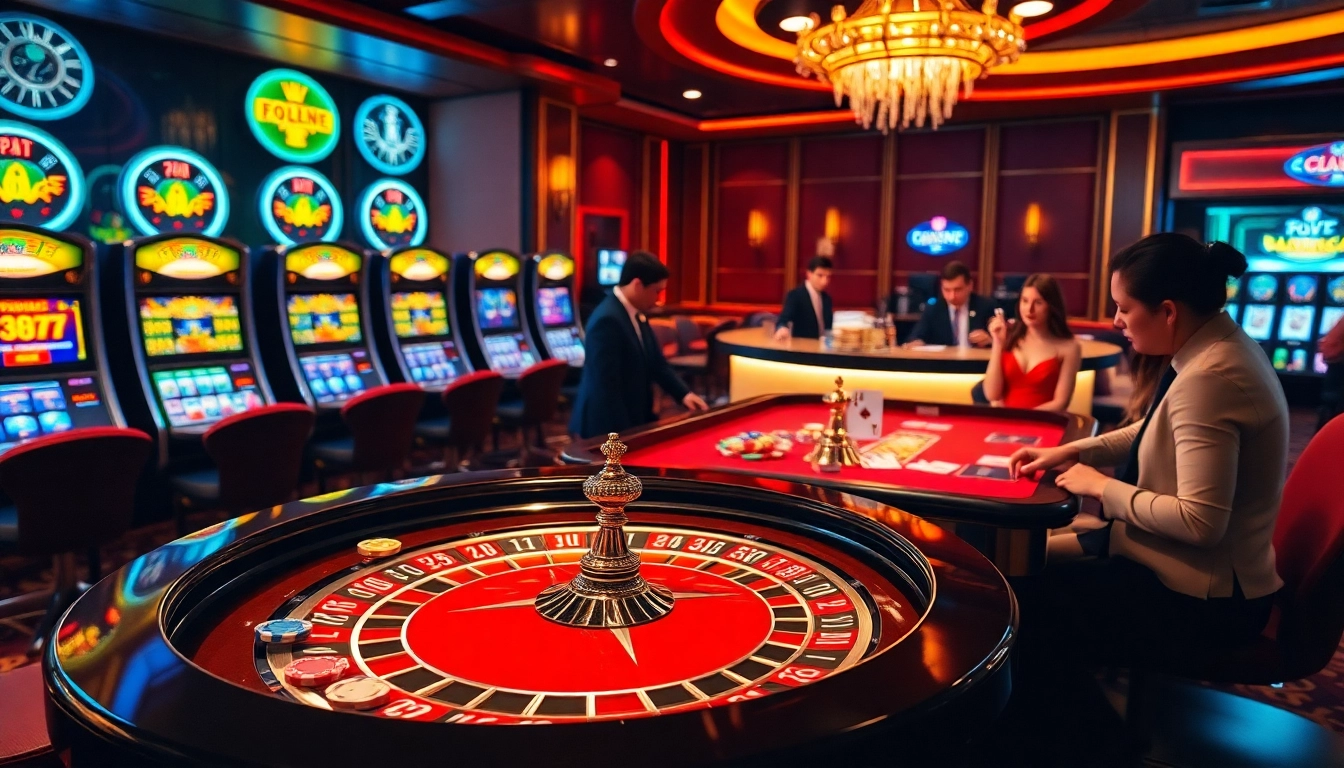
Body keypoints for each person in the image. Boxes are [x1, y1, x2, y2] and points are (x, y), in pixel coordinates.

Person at [1009, 233, 1287, 665]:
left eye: (1123, 308)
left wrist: (1100, 487)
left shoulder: (1210, 377)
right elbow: (1156, 428)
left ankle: (1080, 729)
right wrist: (1075, 451)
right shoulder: (1217, 349)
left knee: (1022, 599)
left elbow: (1201, 523)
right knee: (1031, 564)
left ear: (1169, 311)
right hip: (1194, 574)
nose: (1116, 320)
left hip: (1204, 602)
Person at [569, 251, 709, 439]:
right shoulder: (607, 319)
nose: (658, 299)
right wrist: (625, 436)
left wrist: (684, 394)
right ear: (637, 285)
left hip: (632, 419)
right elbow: (607, 387)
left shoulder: (637, 314)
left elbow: (656, 363)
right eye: (656, 291)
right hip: (606, 427)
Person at [982, 274, 1082, 412]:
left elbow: (1061, 402)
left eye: (1038, 302)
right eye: (1025, 301)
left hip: (1045, 422)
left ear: (1051, 306)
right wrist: (998, 343)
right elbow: (991, 394)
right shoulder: (1009, 336)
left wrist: (1024, 419)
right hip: (1006, 424)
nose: (1029, 309)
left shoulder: (1070, 347)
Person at [903, 260, 996, 348]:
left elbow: (1004, 342)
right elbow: (916, 336)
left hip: (977, 363)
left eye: (958, 289)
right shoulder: (933, 309)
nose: (952, 296)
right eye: (947, 290)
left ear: (970, 286)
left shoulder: (986, 306)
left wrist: (990, 340)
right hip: (943, 363)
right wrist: (917, 342)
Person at [774, 256, 833, 340]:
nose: (824, 281)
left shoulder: (827, 299)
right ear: (809, 274)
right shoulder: (795, 295)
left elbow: (828, 328)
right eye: (820, 275)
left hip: (824, 348)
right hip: (802, 348)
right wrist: (782, 328)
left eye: (828, 277)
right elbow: (783, 320)